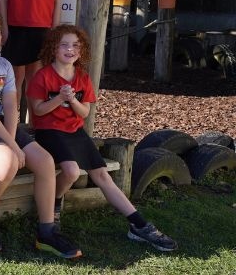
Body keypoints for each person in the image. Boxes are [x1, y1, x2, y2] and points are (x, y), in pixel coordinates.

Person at [27, 25, 177, 252]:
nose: (70, 49)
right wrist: (59, 98)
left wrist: (72, 100)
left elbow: (84, 113)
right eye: (64, 45)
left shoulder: (82, 77)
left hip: (75, 132)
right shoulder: (43, 76)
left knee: (102, 175)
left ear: (81, 50)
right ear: (53, 48)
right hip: (49, 131)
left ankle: (139, 225)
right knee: (72, 172)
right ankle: (54, 204)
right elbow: (38, 110)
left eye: (75, 45)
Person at [0, 6, 81, 258]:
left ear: (2, 35)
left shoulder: (4, 65)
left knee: (45, 161)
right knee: (8, 162)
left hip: (0, 121)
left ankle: (47, 231)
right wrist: (12, 146)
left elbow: (11, 104)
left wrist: (12, 139)